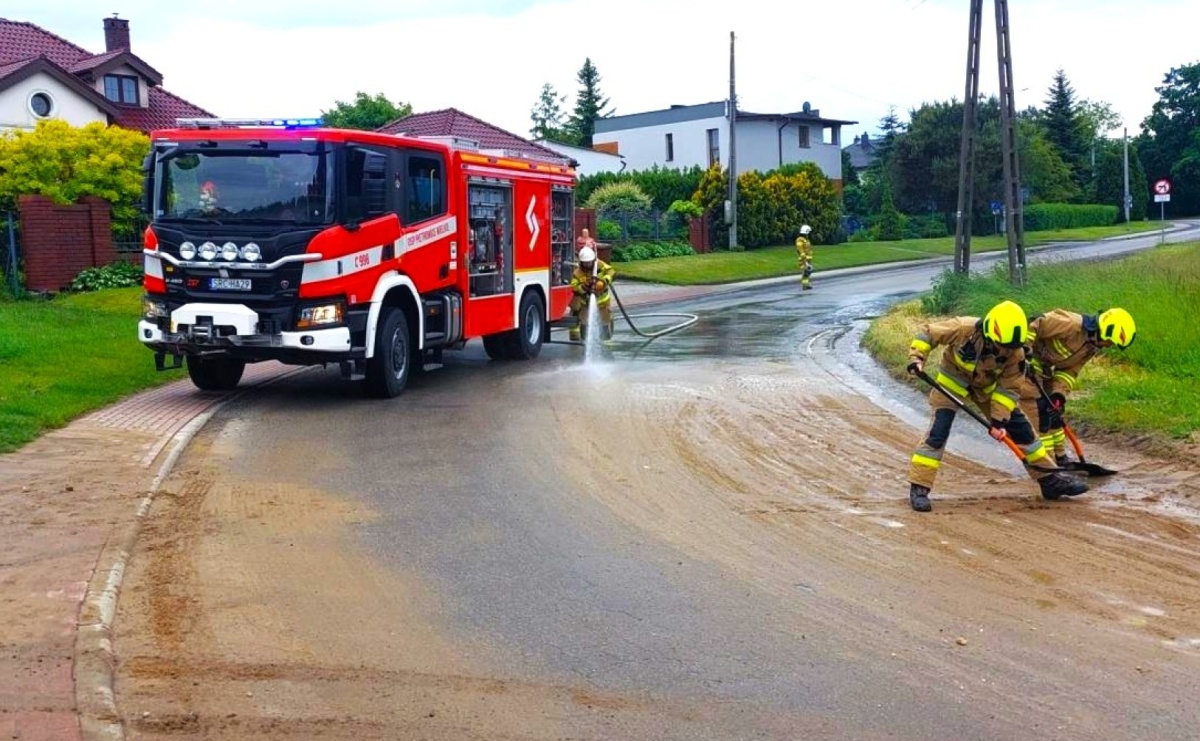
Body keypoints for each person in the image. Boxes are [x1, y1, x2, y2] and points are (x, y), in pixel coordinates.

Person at [905, 299, 1088, 512]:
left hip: (987, 387)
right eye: (1002, 346)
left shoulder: (1016, 353)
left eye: (1010, 348)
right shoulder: (963, 327)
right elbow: (928, 334)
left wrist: (999, 421)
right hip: (952, 383)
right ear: (992, 332)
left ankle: (1050, 481)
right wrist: (917, 359)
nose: (1006, 351)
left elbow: (1009, 388)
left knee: (1023, 432)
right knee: (938, 432)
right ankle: (919, 487)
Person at [1019, 307, 1137, 465]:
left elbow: (1070, 371)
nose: (1108, 346)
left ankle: (1061, 457)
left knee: (1053, 411)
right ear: (1104, 330)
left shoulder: (1091, 346)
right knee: (1039, 409)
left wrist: (1058, 394)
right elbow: (1034, 323)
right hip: (1029, 361)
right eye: (1110, 341)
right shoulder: (1070, 324)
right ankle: (1046, 461)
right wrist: (1023, 354)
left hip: (1045, 367)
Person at [569, 246, 616, 342]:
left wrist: (603, 282)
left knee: (605, 321)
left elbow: (612, 272)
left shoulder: (600, 265)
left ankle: (606, 341)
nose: (587, 264)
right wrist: (584, 287)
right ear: (581, 262)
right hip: (585, 302)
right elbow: (574, 287)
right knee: (584, 321)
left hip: (603, 301)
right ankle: (584, 341)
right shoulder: (578, 273)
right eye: (585, 263)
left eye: (589, 262)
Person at [795, 225, 813, 290]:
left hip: (807, 259)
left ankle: (806, 284)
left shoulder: (805, 239)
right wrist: (804, 259)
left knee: (807, 272)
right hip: (803, 259)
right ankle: (804, 286)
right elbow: (800, 249)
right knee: (805, 272)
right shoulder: (800, 240)